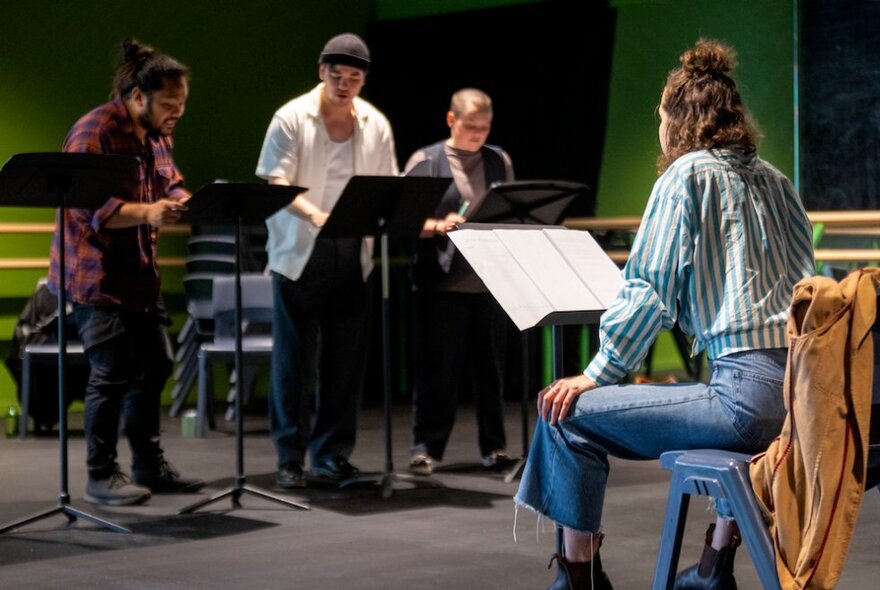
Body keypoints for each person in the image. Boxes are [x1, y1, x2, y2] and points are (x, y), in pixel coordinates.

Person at [513, 39, 815, 590]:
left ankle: (577, 579)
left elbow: (647, 289)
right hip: (801, 397)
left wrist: (596, 373)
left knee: (563, 413)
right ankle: (710, 568)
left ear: (677, 121)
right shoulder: (779, 181)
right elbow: (807, 288)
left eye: (659, 118)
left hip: (743, 399)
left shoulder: (684, 177)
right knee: (740, 440)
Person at [48, 38, 205, 506]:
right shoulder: (94, 132)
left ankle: (147, 465)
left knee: (155, 365)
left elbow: (169, 180)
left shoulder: (157, 134)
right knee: (110, 372)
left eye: (182, 104)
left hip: (139, 276)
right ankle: (101, 475)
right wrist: (149, 212)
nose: (176, 112)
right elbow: (88, 210)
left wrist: (180, 199)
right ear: (138, 96)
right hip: (95, 278)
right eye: (168, 104)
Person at [255, 33, 398, 489]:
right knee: (294, 362)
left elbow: (387, 184)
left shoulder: (374, 122)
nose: (345, 85)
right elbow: (275, 180)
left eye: (354, 78)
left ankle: (333, 454)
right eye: (337, 76)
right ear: (322, 72)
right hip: (300, 248)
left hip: (352, 249)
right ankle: (290, 457)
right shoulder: (292, 116)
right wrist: (315, 212)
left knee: (345, 361)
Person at [404, 88, 518, 476]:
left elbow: (511, 211)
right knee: (438, 370)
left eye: (484, 128)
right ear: (451, 120)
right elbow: (402, 218)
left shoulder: (498, 159)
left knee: (491, 371)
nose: (477, 135)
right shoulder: (426, 159)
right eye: (470, 127)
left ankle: (495, 447)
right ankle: (426, 448)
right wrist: (439, 225)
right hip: (440, 284)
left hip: (487, 282)